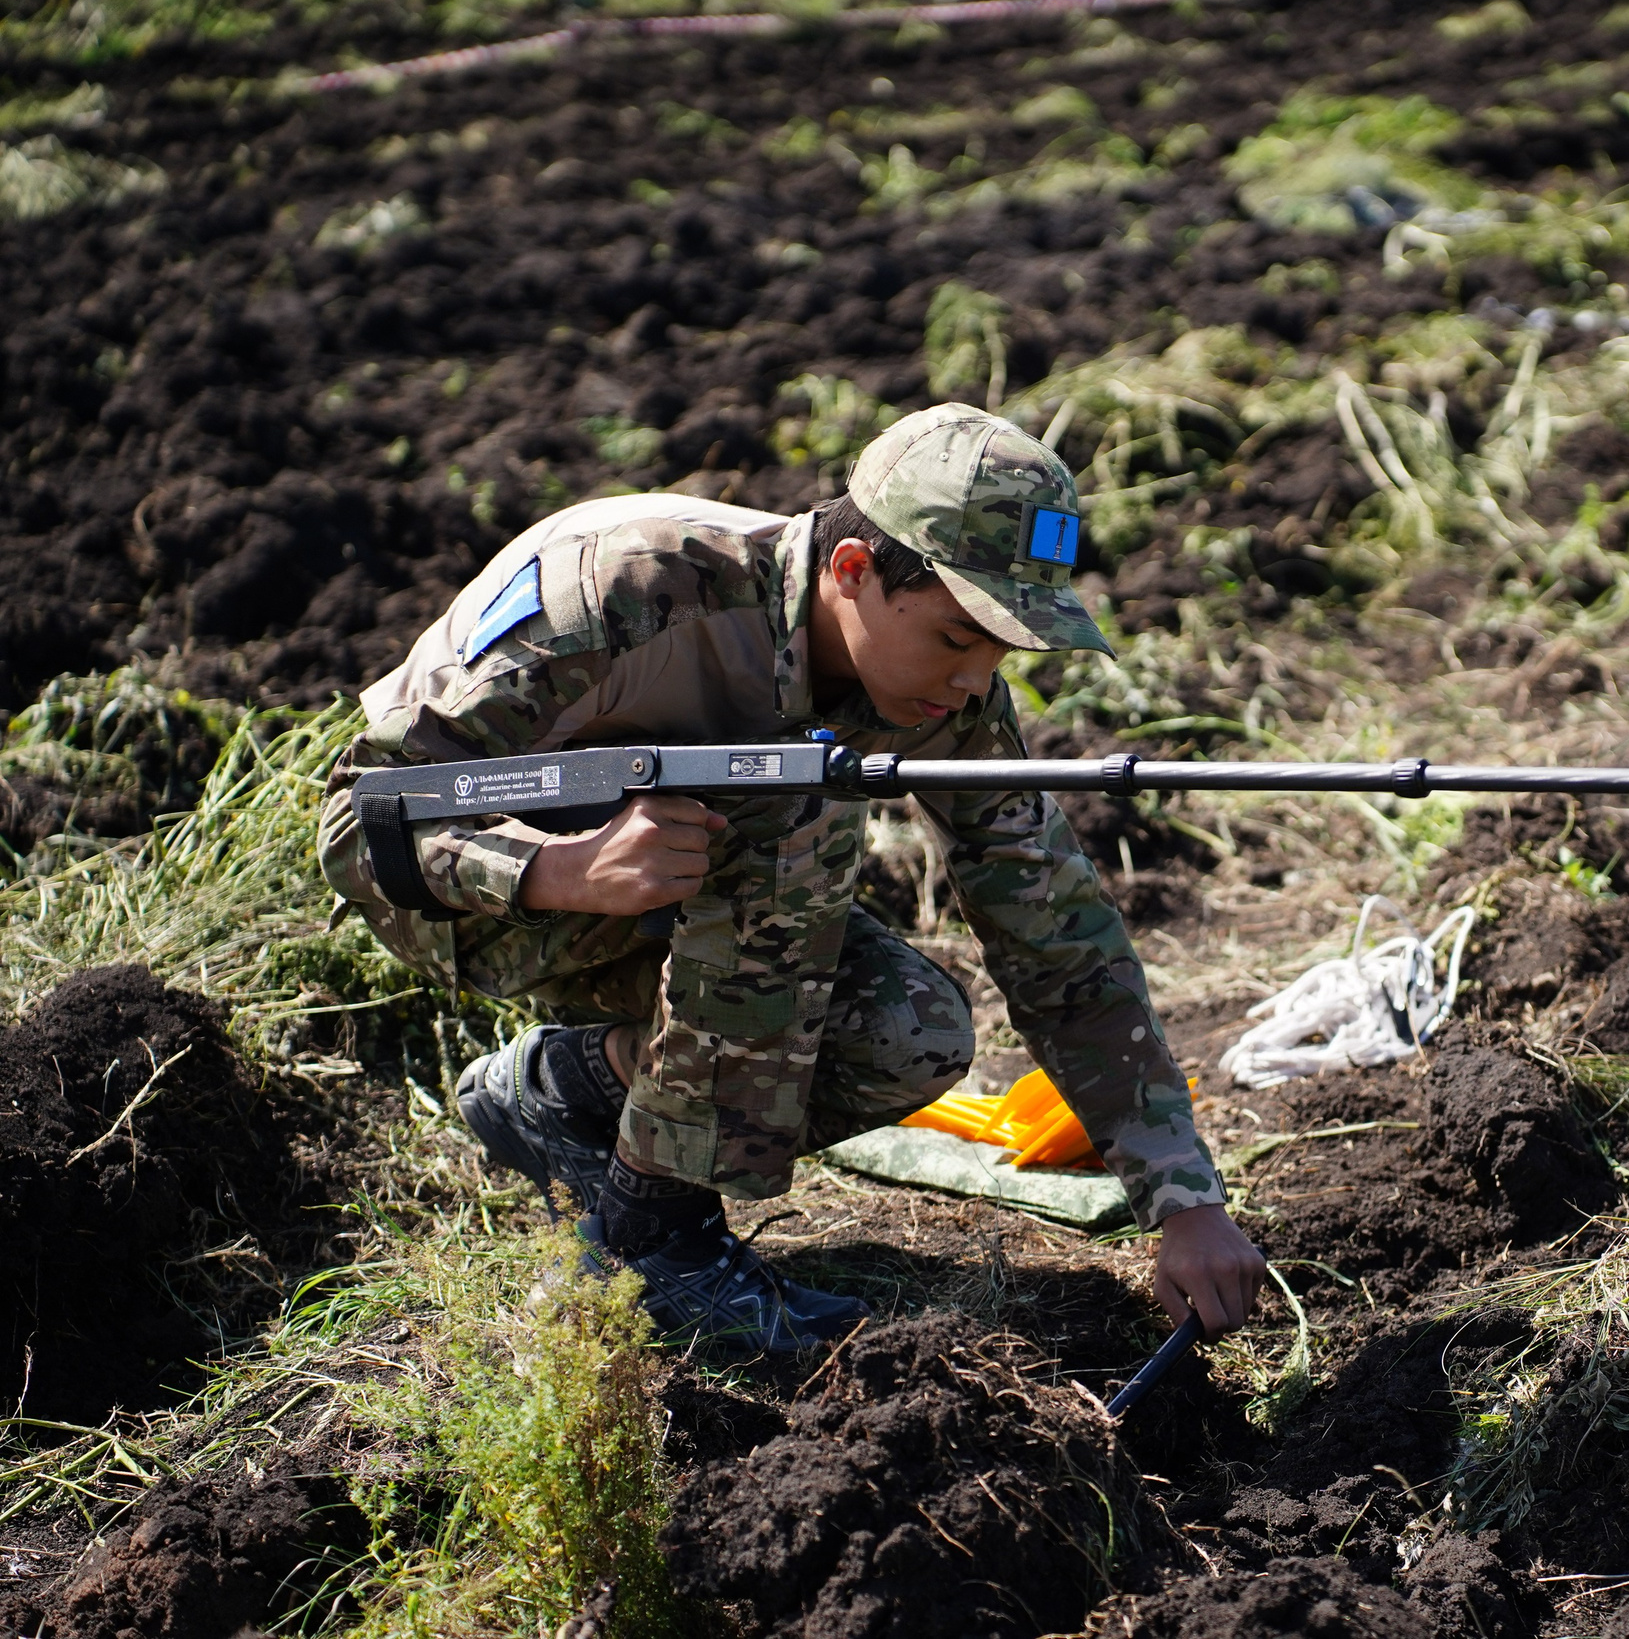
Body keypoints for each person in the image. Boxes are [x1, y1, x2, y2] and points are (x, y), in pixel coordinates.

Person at [317, 402, 1266, 1353]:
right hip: (469, 899)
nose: (977, 681)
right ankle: (658, 1250)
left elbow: (1053, 926)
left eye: (1003, 648)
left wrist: (1180, 1197)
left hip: (671, 893)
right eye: (958, 636)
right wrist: (559, 869)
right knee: (789, 825)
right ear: (853, 572)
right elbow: (359, 821)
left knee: (910, 1033)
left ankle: (566, 1092)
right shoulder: (625, 593)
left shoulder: (948, 689)